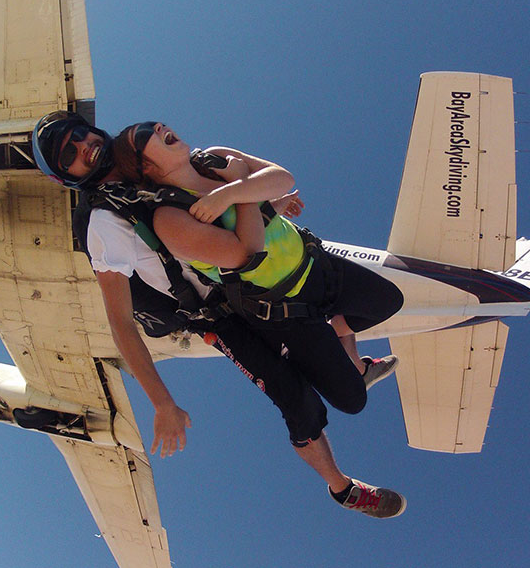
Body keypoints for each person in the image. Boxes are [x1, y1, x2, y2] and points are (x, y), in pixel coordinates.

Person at [33, 111, 406, 518]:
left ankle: (352, 366)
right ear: (64, 175)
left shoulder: (141, 169)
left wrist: (260, 203)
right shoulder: (104, 221)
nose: (83, 144)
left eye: (80, 133)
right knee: (296, 402)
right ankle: (341, 488)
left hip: (249, 280)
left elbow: (205, 198)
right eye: (68, 152)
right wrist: (162, 403)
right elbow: (120, 321)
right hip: (220, 316)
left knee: (348, 385)